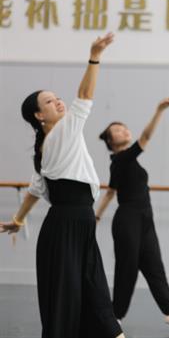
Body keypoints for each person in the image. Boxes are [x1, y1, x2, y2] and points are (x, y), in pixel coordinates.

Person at [0, 33, 125, 338]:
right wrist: (95, 56)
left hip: (75, 223)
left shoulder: (49, 143)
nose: (57, 101)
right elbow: (84, 96)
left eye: (56, 97)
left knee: (92, 292)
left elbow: (35, 190)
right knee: (74, 296)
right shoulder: (60, 135)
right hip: (67, 225)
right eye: (49, 101)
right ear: (39, 115)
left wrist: (18, 219)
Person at [96, 97, 169, 333]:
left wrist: (96, 216)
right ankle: (116, 316)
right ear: (111, 141)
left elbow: (110, 193)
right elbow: (146, 137)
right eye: (117, 130)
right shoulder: (121, 159)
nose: (124, 130)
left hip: (145, 220)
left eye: (124, 127)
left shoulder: (123, 162)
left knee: (154, 267)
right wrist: (159, 110)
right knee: (127, 269)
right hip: (127, 220)